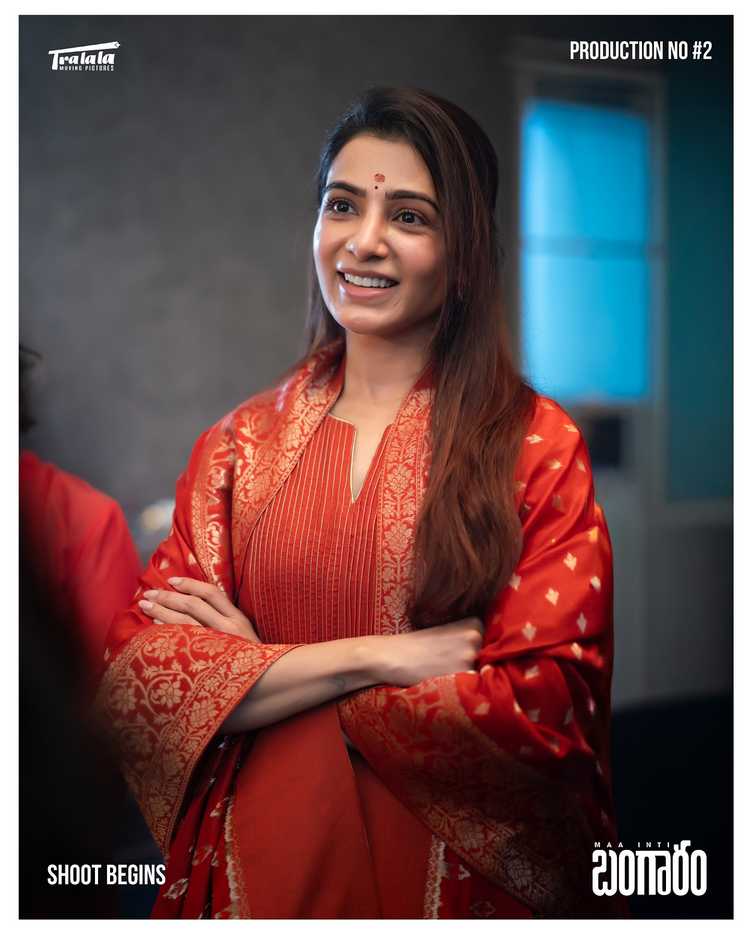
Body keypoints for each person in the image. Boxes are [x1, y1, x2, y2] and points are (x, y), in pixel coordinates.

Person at [95, 87, 625, 919]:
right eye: (342, 205)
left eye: (409, 216)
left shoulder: (532, 446)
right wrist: (382, 657)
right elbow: (142, 684)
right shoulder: (237, 446)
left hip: (446, 887)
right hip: (260, 873)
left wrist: (254, 675)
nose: (364, 240)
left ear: (465, 250)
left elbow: (543, 711)